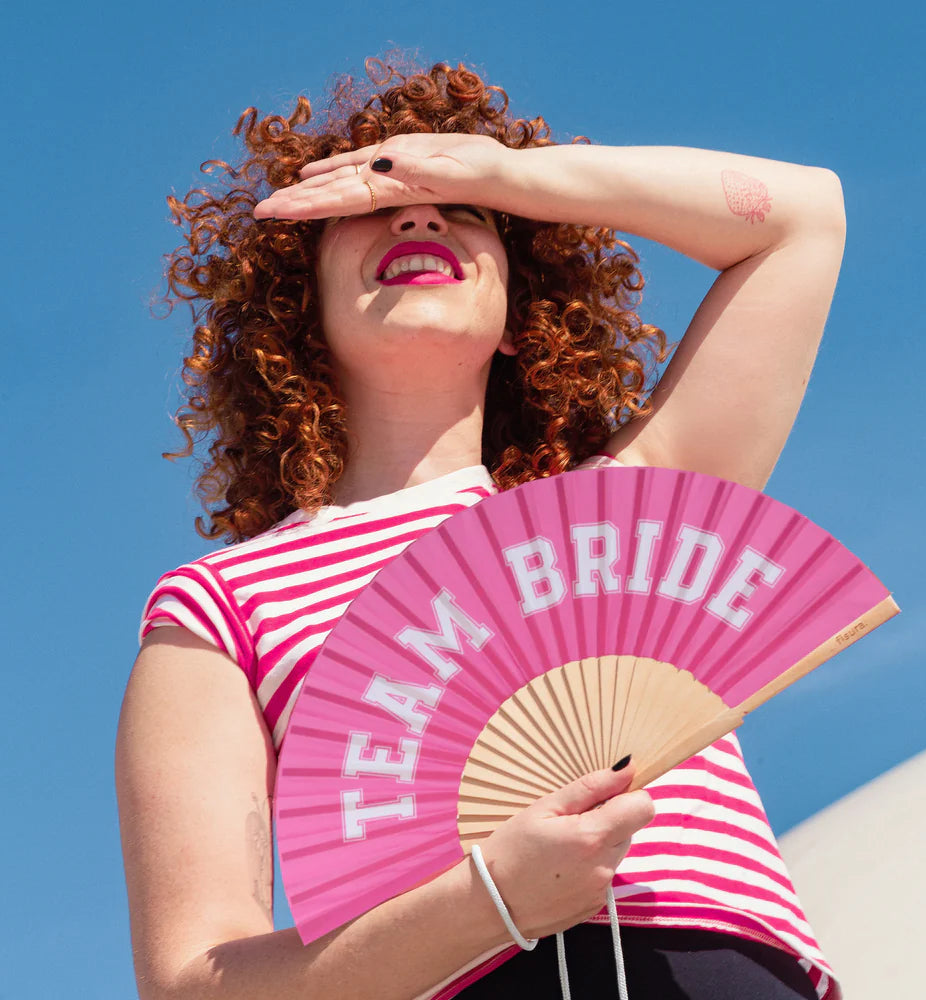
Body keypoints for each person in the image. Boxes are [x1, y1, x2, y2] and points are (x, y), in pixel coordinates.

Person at [115, 59, 846, 1000]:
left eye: (462, 214)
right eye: (373, 204)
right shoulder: (223, 606)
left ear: (518, 319)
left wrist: (504, 174)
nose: (419, 216)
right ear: (301, 313)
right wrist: (490, 900)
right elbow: (190, 980)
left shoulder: (624, 508)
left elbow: (800, 219)